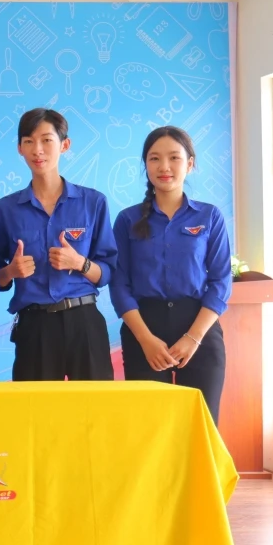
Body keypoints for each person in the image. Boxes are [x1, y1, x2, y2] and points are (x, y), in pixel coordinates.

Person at [110, 126, 231, 424]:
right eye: (154, 158)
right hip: (144, 331)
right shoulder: (127, 220)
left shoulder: (209, 216)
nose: (164, 167)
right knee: (150, 429)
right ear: (146, 165)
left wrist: (193, 338)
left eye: (174, 158)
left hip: (199, 329)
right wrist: (145, 340)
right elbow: (119, 284)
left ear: (190, 163)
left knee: (201, 426)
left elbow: (220, 282)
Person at [0, 108, 117, 381]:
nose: (38, 150)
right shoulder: (5, 210)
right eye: (29, 141)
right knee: (36, 407)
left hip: (84, 321)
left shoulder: (93, 202)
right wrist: (11, 271)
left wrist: (79, 263)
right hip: (35, 326)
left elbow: (107, 272)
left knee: (94, 404)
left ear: (64, 145)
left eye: (47, 140)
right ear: (20, 148)